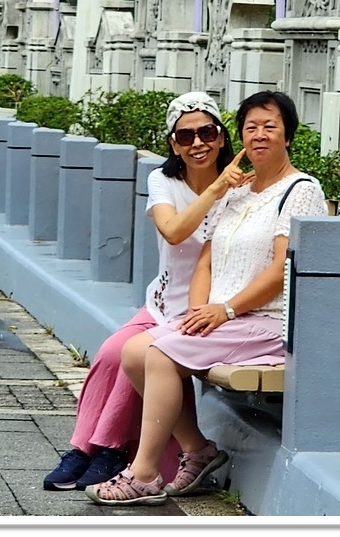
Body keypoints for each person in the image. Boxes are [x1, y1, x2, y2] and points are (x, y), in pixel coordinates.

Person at [85, 90, 328, 506]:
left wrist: (227, 309)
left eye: (270, 126)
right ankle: (199, 452)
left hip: (265, 322)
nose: (260, 135)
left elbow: (280, 271)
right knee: (135, 352)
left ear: (289, 135)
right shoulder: (238, 191)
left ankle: (143, 475)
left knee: (160, 355)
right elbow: (205, 264)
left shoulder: (300, 190)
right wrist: (198, 311)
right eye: (251, 127)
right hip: (226, 319)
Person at [43, 91, 249, 491]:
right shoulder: (163, 180)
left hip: (206, 309)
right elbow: (173, 231)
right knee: (109, 353)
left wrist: (227, 188)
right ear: (173, 144)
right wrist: (214, 190)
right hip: (163, 303)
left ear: (222, 137)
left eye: (206, 132)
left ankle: (111, 449)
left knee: (136, 355)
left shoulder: (244, 188)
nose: (197, 144)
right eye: (185, 137)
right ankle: (85, 448)